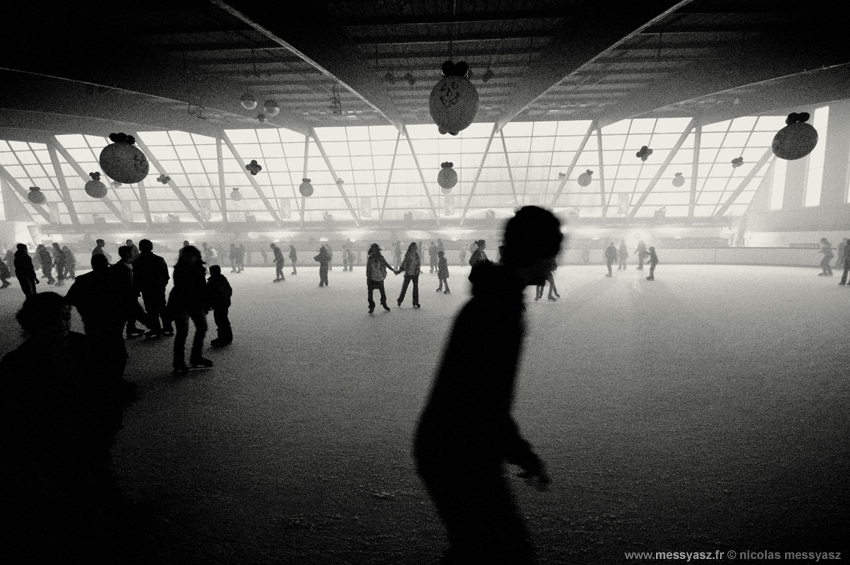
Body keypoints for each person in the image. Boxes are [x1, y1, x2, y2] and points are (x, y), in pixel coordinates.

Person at [414, 206, 560, 564]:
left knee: (477, 548)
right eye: (552, 257)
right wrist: (524, 455)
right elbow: (486, 405)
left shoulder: (492, 301)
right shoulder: (501, 313)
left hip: (447, 447)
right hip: (458, 455)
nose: (554, 267)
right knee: (506, 553)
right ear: (537, 255)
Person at [0, 293, 126, 563]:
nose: (62, 324)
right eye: (54, 318)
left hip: (86, 438)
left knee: (90, 489)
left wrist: (108, 425)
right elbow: (15, 416)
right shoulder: (17, 365)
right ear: (33, 324)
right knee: (71, 500)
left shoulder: (85, 348)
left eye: (66, 316)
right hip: (51, 447)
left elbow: (107, 391)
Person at [66, 254, 136, 398]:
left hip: (93, 323)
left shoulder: (83, 280)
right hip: (112, 323)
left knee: (99, 352)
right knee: (117, 354)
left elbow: (69, 299)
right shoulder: (116, 278)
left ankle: (105, 382)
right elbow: (128, 299)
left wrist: (83, 309)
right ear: (107, 263)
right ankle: (115, 381)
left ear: (92, 265)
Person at [168, 245, 212, 375]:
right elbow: (180, 288)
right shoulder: (179, 270)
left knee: (202, 327)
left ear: (196, 257)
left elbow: (202, 287)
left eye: (190, 257)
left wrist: (205, 303)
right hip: (181, 303)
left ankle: (196, 357)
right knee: (182, 332)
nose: (187, 259)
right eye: (185, 257)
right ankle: (179, 362)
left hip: (194, 303)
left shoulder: (199, 269)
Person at [132, 239, 173, 338]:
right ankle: (167, 328)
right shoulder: (159, 259)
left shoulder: (137, 261)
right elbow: (166, 275)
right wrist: (162, 285)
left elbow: (136, 277)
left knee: (151, 309)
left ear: (140, 248)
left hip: (147, 289)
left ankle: (156, 329)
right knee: (162, 307)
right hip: (159, 288)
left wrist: (138, 288)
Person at [111, 246, 147, 338]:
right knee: (128, 313)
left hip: (130, 293)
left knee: (131, 313)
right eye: (131, 252)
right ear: (127, 254)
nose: (133, 253)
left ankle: (131, 327)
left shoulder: (127, 264)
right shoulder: (120, 266)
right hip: (126, 294)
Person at [366, 243, 398, 313]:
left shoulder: (381, 258)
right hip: (371, 278)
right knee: (370, 293)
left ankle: (384, 304)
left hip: (380, 277)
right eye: (373, 249)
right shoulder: (370, 258)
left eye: (375, 249)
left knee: (382, 292)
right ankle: (371, 306)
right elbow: (368, 268)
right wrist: (368, 276)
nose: (374, 250)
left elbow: (386, 264)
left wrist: (393, 270)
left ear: (377, 250)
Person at [206, 265, 233, 347]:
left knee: (220, 321)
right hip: (224, 303)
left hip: (219, 304)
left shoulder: (214, 281)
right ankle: (226, 337)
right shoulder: (222, 279)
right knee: (223, 320)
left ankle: (224, 338)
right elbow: (229, 291)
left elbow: (211, 293)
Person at [397, 242, 421, 308]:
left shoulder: (416, 255)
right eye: (414, 247)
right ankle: (400, 300)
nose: (415, 248)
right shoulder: (408, 255)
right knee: (404, 287)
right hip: (408, 274)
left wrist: (418, 270)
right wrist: (400, 270)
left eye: (415, 247)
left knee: (415, 288)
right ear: (411, 247)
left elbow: (418, 263)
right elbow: (404, 263)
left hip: (415, 274)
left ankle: (415, 302)